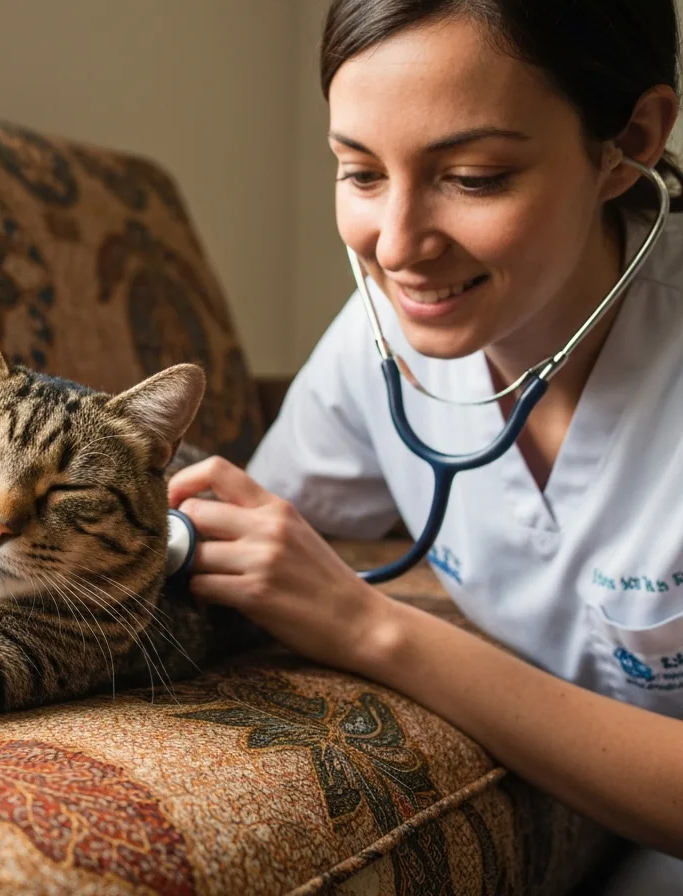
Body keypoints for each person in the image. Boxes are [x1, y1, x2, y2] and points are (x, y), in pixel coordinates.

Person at [167, 1, 683, 892]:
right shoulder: (385, 335)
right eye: (360, 173)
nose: (398, 248)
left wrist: (372, 630)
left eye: (475, 177)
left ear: (629, 140)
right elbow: (250, 545)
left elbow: (337, 606)